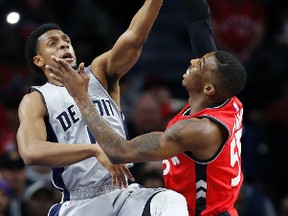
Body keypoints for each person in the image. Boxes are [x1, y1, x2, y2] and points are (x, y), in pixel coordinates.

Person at [47, 0, 247, 215]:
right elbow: (199, 21)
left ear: (207, 88)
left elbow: (120, 152)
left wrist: (81, 97)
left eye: (199, 65)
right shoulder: (224, 95)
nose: (192, 61)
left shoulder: (197, 131)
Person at [16, 0, 189, 215]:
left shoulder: (99, 74)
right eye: (53, 43)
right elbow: (31, 151)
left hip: (125, 192)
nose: (63, 45)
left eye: (66, 41)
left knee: (170, 201)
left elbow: (134, 38)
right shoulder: (37, 98)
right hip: (80, 200)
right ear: (39, 60)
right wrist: (95, 150)